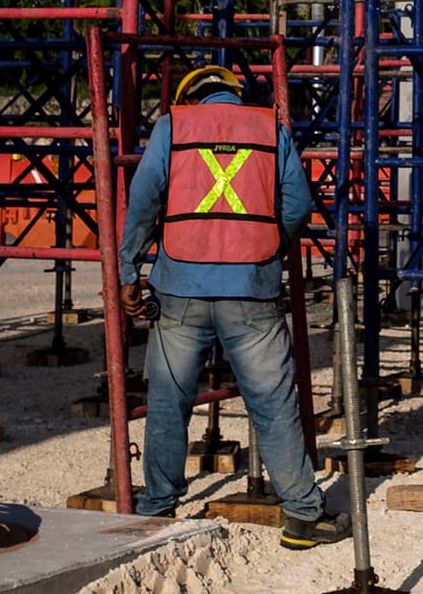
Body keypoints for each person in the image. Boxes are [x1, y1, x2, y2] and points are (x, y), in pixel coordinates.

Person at [118, 64, 348, 549]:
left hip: (179, 286)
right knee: (273, 404)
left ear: (189, 96)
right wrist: (264, 248)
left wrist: (128, 270)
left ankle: (158, 512)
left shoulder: (172, 127)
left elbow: (142, 201)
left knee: (168, 403)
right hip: (252, 290)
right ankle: (305, 515)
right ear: (234, 94)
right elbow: (298, 205)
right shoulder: (270, 127)